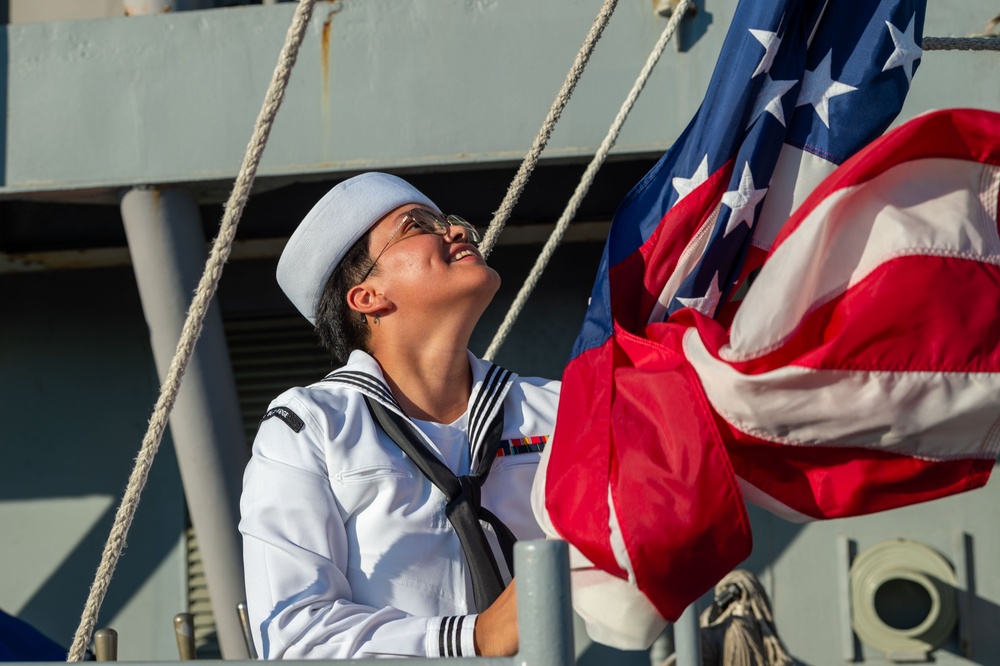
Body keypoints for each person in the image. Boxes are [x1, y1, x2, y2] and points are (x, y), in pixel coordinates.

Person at [239, 172, 560, 659]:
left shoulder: (561, 408)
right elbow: (293, 633)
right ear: (368, 297)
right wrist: (474, 637)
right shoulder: (310, 430)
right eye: (418, 226)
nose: (456, 232)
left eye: (446, 221)